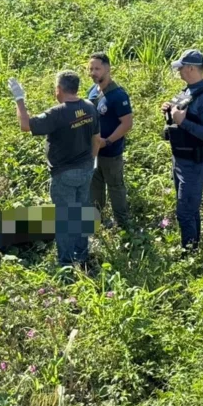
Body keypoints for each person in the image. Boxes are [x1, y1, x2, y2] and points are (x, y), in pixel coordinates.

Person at [9, 72, 100, 268]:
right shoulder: (89, 107)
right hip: (85, 169)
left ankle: (66, 263)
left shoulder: (57, 113)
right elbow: (96, 139)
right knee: (81, 214)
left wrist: (19, 99)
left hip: (64, 174)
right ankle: (82, 256)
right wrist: (90, 163)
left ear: (59, 89)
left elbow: (26, 125)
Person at [161, 49, 203, 254]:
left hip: (195, 163)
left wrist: (182, 121)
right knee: (189, 207)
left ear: (191, 68)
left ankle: (189, 254)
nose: (179, 72)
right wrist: (169, 114)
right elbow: (177, 124)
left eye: (181, 68)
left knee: (185, 211)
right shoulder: (186, 92)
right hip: (180, 159)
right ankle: (193, 247)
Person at [85, 52, 133, 229]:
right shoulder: (92, 90)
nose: (93, 72)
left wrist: (108, 141)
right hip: (93, 151)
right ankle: (98, 220)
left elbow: (127, 123)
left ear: (107, 68)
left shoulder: (118, 95)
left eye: (97, 68)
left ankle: (123, 224)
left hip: (110, 152)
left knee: (116, 187)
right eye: (91, 69)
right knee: (94, 186)